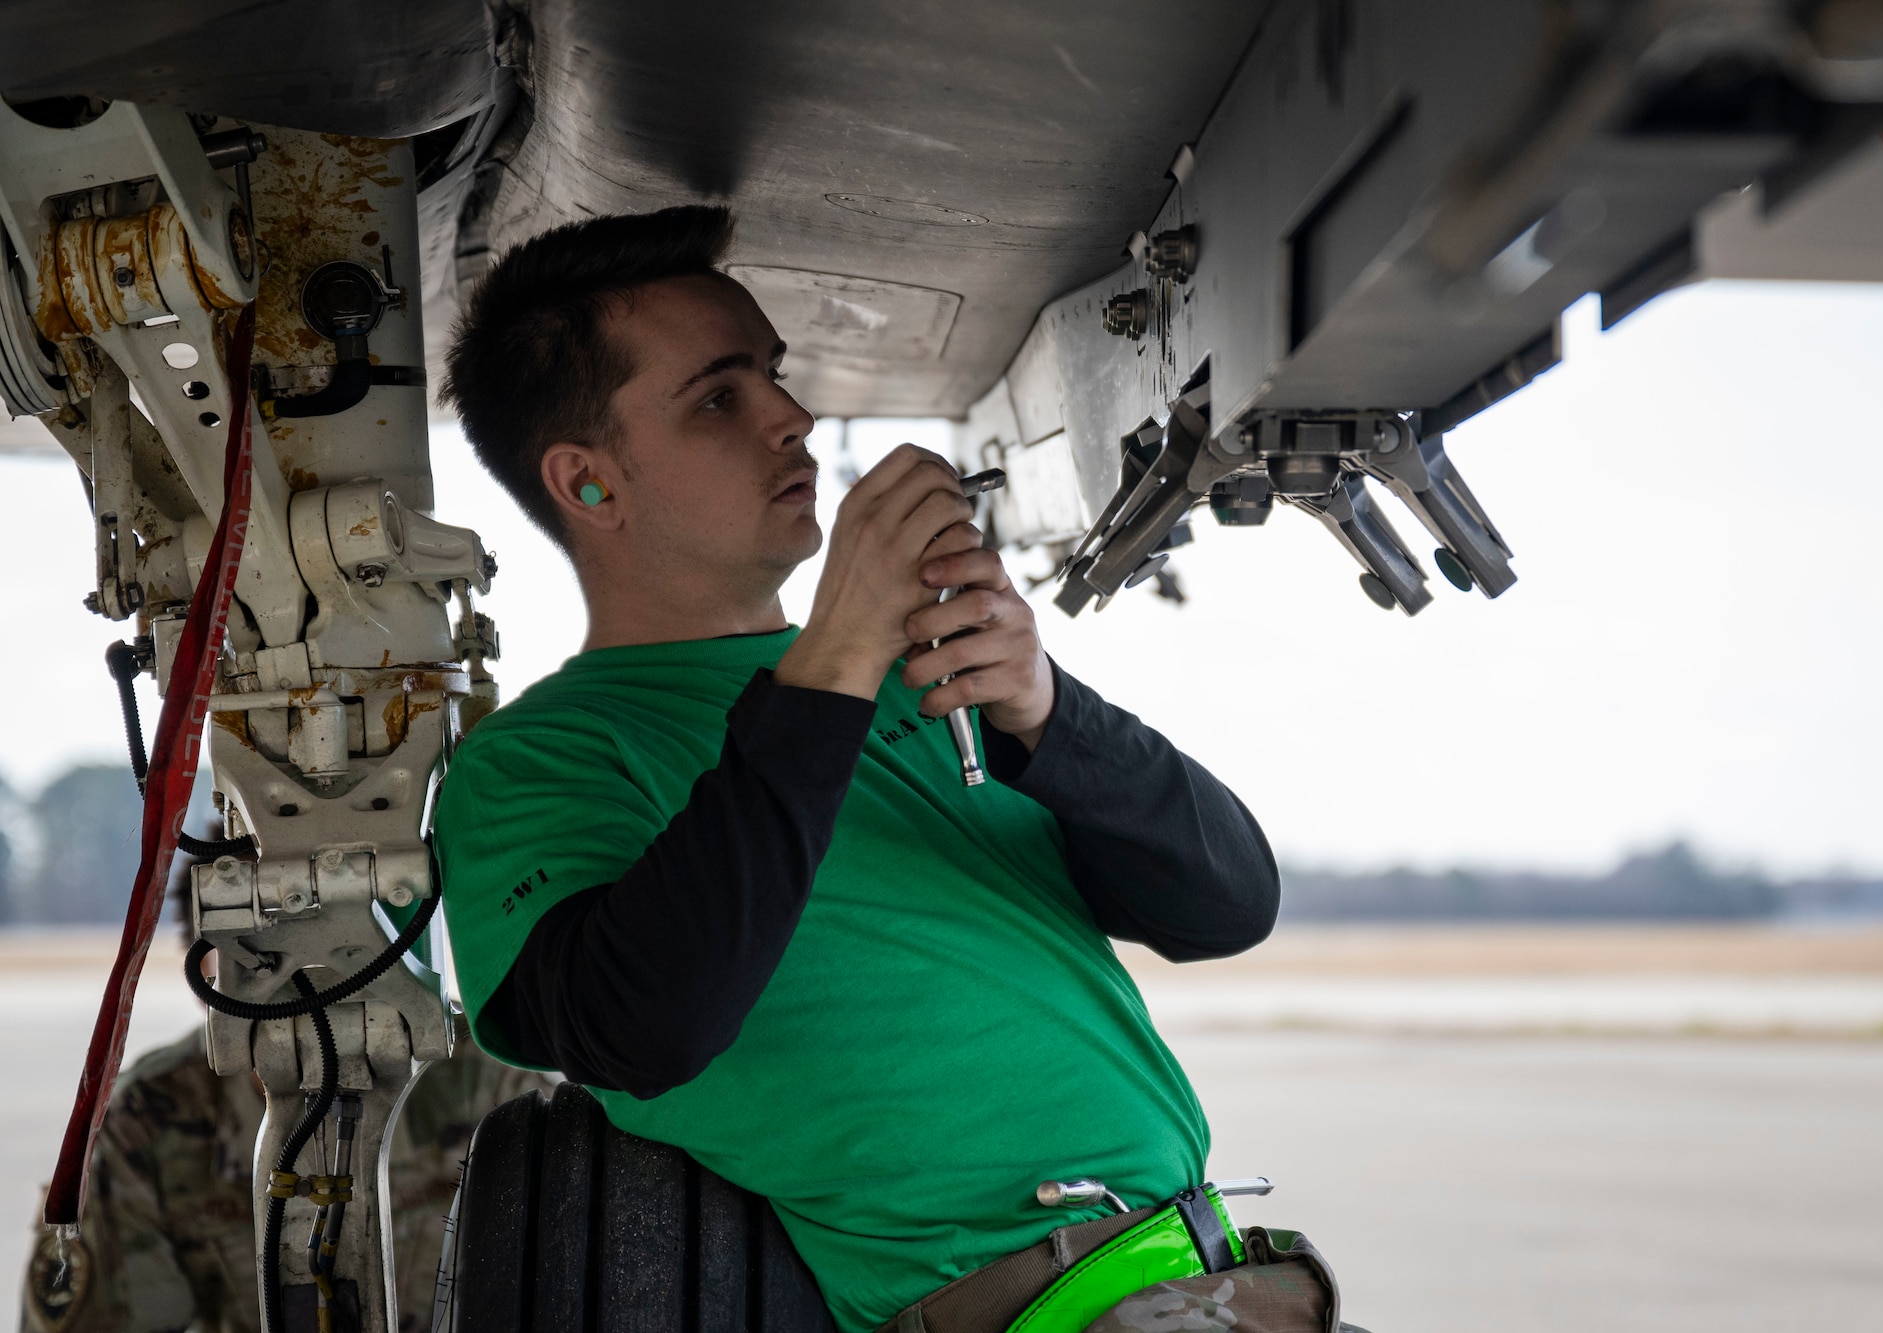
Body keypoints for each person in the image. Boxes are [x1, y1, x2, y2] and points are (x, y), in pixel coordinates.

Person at [432, 206, 1301, 1333]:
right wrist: (832, 660)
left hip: (1207, 1273)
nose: (792, 419)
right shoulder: (535, 762)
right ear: (589, 484)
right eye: (718, 397)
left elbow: (1229, 904)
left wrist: (1046, 710)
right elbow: (639, 1024)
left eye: (775, 379)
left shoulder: (917, 670)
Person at [20, 863, 551, 1332]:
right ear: (210, 980)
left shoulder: (490, 1088)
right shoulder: (154, 1120)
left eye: (349, 955)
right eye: (270, 965)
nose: (318, 989)